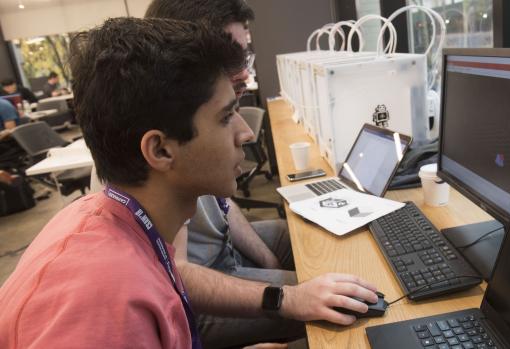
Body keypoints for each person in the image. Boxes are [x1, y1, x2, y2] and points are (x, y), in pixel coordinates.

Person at [0, 17, 257, 348]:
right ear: (161, 150)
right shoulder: (107, 300)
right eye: (225, 117)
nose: (246, 133)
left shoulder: (113, 219)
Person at [146, 1, 314, 347]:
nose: (242, 71)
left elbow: (220, 201)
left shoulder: (197, 112)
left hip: (220, 255)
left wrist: (266, 258)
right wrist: (286, 296)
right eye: (230, 53)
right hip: (196, 291)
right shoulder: (168, 126)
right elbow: (177, 274)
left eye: (244, 53)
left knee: (294, 236)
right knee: (323, 296)